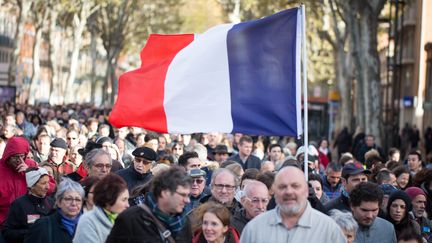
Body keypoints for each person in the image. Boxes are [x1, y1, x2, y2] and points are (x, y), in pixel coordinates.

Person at [240, 166, 346, 242]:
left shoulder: (328, 229)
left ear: (306, 191)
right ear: (274, 192)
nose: (289, 192)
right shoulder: (254, 229)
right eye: (282, 186)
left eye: (295, 186)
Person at [106, 167, 193, 243]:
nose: (187, 200)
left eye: (188, 195)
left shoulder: (184, 221)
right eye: (183, 195)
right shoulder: (130, 218)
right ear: (165, 193)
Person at [2, 167, 54, 243]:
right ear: (32, 186)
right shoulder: (18, 204)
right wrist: (30, 232)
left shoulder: (51, 202)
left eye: (48, 182)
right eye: (43, 183)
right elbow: (7, 233)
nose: (48, 187)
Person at [24, 178, 84, 243]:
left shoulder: (88, 225)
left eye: (78, 200)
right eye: (68, 199)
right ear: (58, 202)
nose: (74, 203)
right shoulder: (43, 226)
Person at [73, 174, 129, 243]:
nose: (128, 205)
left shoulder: (125, 219)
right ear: (109, 199)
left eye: (127, 199)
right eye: (124, 200)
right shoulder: (88, 221)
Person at [0, 137, 40, 226]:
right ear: (8, 156)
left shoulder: (31, 165)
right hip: (5, 223)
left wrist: (31, 173)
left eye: (22, 156)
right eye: (16, 157)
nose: (20, 161)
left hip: (31, 220)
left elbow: (50, 187)